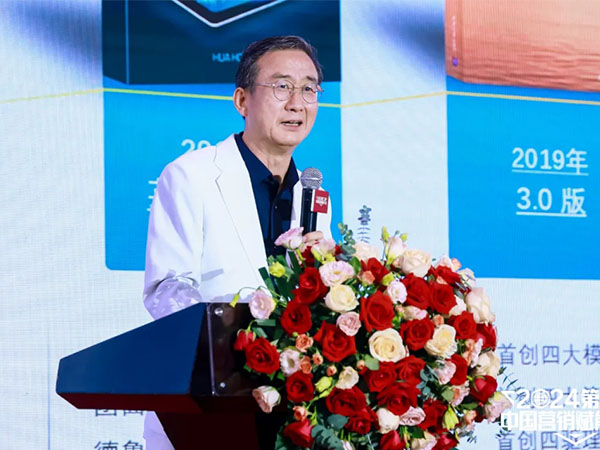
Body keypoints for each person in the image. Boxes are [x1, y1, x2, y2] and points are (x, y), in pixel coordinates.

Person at [142, 35, 332, 450]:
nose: (297, 103)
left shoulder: (313, 197)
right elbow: (166, 290)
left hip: (289, 417)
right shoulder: (191, 176)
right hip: (207, 412)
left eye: (309, 89)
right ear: (242, 101)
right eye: (281, 86)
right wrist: (238, 339)